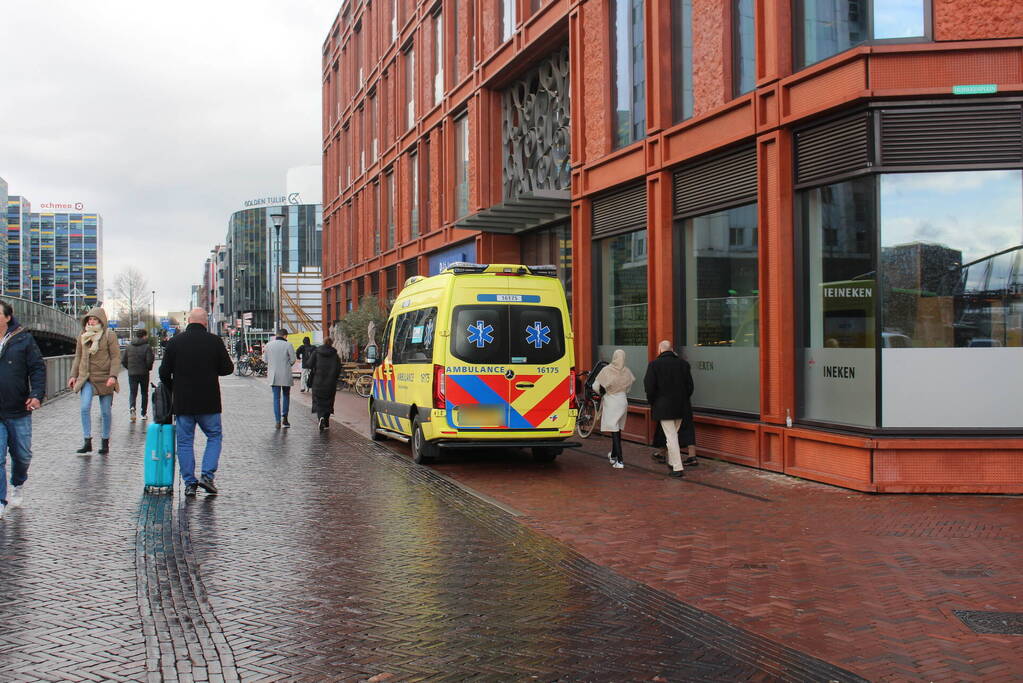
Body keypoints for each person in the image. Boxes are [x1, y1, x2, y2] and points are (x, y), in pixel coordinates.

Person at [159, 308, 233, 497]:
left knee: (184, 442)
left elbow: (163, 372)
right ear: (205, 322)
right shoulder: (215, 341)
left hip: (184, 402)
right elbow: (227, 369)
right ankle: (207, 476)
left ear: (189, 321)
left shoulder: (175, 342)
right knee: (214, 436)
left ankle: (190, 483)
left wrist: (173, 387)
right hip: (209, 401)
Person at [0, 301, 45, 519]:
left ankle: (18, 483)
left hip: (18, 408)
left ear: (7, 317)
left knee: (22, 456)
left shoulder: (23, 338)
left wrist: (36, 394)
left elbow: (37, 368)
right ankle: (0, 500)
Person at [69, 308, 121, 455]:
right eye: (89, 319)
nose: (91, 322)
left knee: (105, 412)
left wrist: (113, 376)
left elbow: (116, 357)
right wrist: (73, 375)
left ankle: (105, 441)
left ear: (101, 321)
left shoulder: (109, 336)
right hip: (87, 377)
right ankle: (87, 441)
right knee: (84, 407)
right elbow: (78, 356)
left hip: (105, 378)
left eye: (94, 319)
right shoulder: (83, 335)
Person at [643, 340, 694, 478]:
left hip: (663, 407)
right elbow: (690, 387)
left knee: (671, 437)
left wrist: (653, 402)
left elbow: (649, 387)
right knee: (673, 436)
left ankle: (677, 467)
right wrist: (682, 399)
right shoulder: (683, 364)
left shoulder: (654, 365)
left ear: (660, 350)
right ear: (671, 350)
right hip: (681, 407)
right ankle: (672, 462)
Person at [592, 349, 635, 469]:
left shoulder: (607, 370)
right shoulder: (626, 371)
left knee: (614, 428)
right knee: (617, 428)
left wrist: (604, 392)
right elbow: (629, 387)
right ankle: (614, 455)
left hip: (611, 401)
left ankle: (620, 460)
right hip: (623, 400)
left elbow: (596, 386)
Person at [263, 328, 297, 428]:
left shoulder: (268, 345)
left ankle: (277, 421)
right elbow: (293, 359)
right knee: (286, 396)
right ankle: (285, 418)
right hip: (285, 374)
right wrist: (287, 365)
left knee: (276, 398)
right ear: (285, 336)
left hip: (273, 375)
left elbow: (265, 360)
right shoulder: (288, 345)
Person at [307, 337, 341, 430]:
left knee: (318, 401)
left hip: (317, 382)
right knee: (328, 402)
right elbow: (339, 368)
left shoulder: (316, 352)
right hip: (330, 383)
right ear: (331, 343)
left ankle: (320, 417)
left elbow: (309, 364)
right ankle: (326, 421)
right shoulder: (335, 354)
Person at [122, 328, 155, 422]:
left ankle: (132, 407)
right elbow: (149, 361)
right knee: (144, 393)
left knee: (133, 393)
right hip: (144, 374)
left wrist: (130, 368)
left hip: (132, 373)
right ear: (144, 336)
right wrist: (148, 368)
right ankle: (143, 413)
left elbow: (123, 361)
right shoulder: (147, 347)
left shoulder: (129, 346)